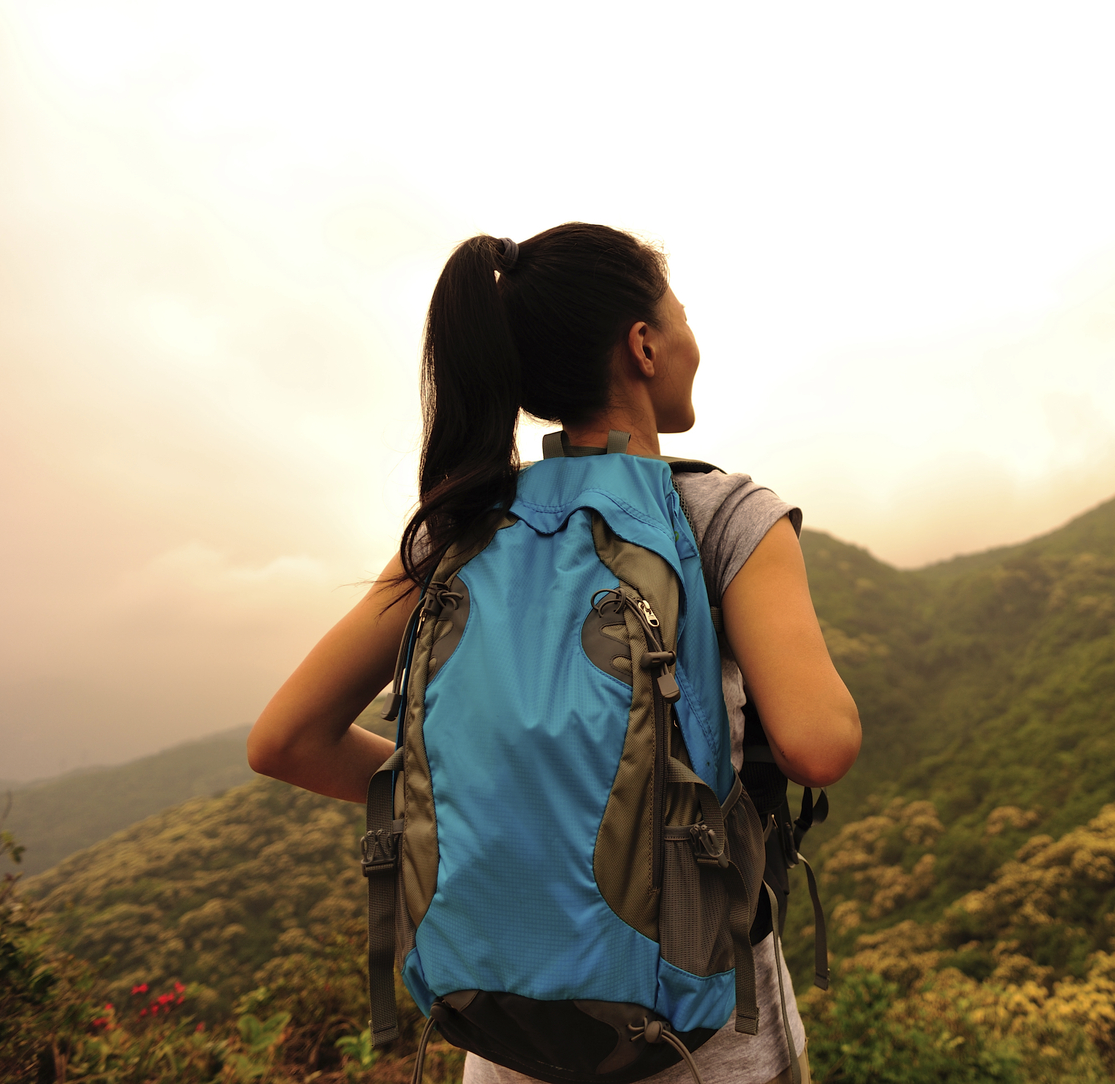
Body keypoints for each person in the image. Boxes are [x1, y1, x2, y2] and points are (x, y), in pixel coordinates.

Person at [248, 222, 862, 1084]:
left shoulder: (461, 528)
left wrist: (488, 803)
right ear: (643, 346)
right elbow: (820, 745)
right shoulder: (725, 516)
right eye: (681, 317)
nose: (693, 339)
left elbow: (285, 741)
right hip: (704, 1045)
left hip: (508, 1037)